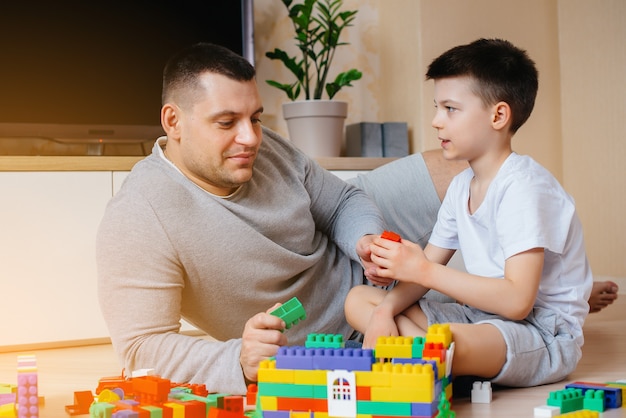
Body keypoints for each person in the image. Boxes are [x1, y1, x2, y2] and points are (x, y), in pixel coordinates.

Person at [96, 42, 461, 395]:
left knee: (465, 162)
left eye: (254, 118)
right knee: (482, 334)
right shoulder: (139, 214)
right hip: (340, 335)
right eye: (226, 123)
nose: (250, 138)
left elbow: (341, 202)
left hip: (353, 254)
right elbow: (140, 347)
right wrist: (238, 359)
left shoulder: (260, 143)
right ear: (173, 121)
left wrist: (364, 239)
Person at [344, 38, 594, 387]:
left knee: (446, 342)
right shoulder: (463, 186)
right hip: (479, 316)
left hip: (542, 331)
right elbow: (420, 276)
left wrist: (424, 271)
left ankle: (423, 354)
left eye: (450, 109)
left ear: (498, 115)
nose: (435, 121)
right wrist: (385, 310)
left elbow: (518, 301)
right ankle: (424, 356)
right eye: (437, 107)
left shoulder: (524, 187)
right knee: (359, 300)